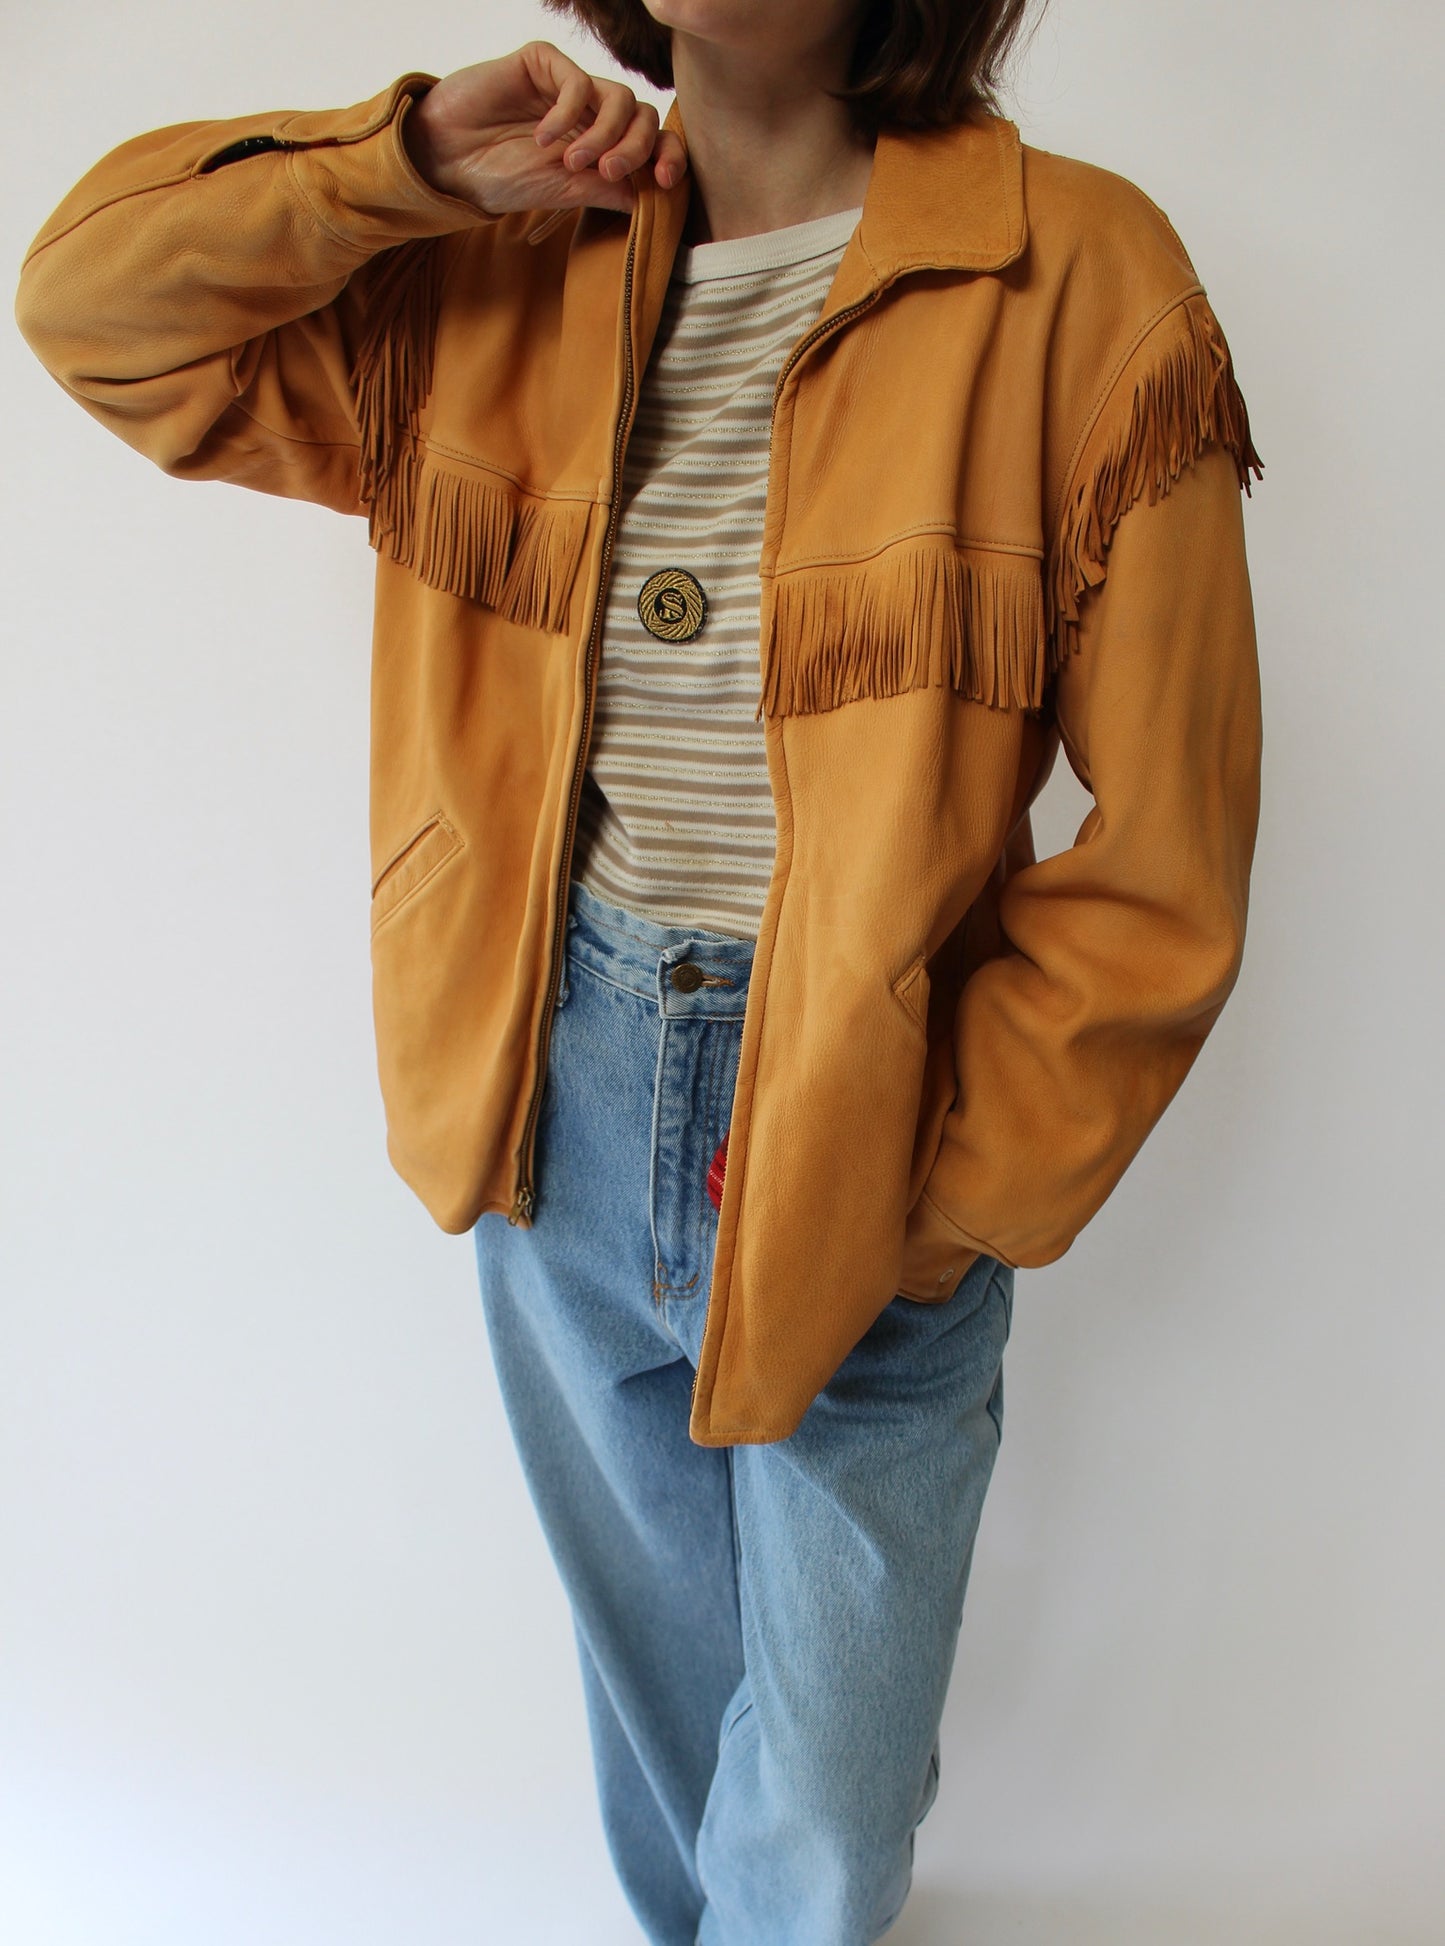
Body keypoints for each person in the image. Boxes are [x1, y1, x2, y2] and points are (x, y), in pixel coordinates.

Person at [12, 3, 1264, 1941]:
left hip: (869, 1105)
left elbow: (1169, 844)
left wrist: (950, 1193)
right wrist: (406, 167)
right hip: (560, 1088)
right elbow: (94, 309)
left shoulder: (1071, 270)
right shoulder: (495, 256)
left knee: (830, 1796)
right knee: (673, 1728)